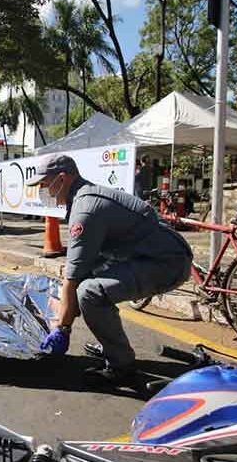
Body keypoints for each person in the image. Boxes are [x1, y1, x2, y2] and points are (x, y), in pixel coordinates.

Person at [29, 155, 192, 386]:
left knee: (89, 292)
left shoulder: (85, 210)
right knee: (81, 284)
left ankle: (121, 365)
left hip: (166, 264)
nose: (43, 191)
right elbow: (79, 268)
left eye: (45, 184)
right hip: (150, 256)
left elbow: (73, 280)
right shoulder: (82, 199)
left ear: (62, 178)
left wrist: (63, 329)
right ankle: (111, 344)